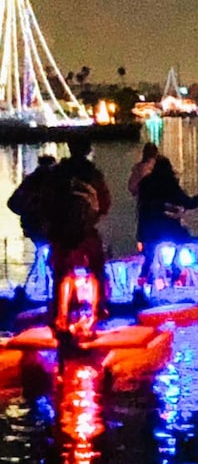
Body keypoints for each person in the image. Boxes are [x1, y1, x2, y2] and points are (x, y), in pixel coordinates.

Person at [43, 133, 111, 326]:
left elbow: (47, 201)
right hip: (85, 232)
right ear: (87, 150)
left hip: (60, 231)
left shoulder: (57, 173)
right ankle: (98, 309)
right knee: (97, 267)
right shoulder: (93, 174)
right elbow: (105, 203)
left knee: (61, 272)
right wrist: (91, 219)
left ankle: (59, 314)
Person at [136, 154, 198, 253]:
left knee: (149, 257)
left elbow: (143, 207)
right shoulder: (170, 183)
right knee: (183, 237)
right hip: (167, 227)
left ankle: (148, 266)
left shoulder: (145, 183)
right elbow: (186, 202)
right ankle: (174, 263)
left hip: (147, 229)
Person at [7, 153, 58, 243]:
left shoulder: (31, 180)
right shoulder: (32, 181)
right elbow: (13, 203)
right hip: (37, 226)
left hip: (43, 227)